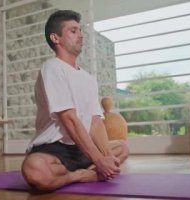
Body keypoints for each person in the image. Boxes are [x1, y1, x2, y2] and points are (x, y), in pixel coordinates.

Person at [21, 10, 129, 191]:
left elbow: (95, 122)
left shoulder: (88, 78)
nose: (80, 35)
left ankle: (86, 171)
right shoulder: (53, 67)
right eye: (73, 31)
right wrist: (99, 160)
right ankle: (82, 175)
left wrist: (107, 157)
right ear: (56, 38)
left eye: (80, 30)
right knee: (35, 169)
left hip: (81, 148)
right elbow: (68, 118)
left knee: (122, 147)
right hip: (54, 149)